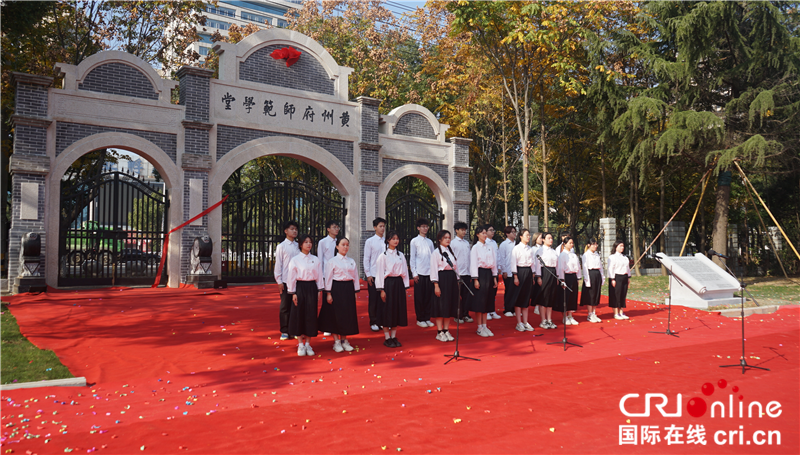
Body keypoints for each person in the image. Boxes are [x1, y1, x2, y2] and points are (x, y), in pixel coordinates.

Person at [319, 237, 360, 352]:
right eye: (343, 245)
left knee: (347, 315)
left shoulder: (351, 261)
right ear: (337, 246)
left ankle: (344, 340)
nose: (345, 247)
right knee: (335, 315)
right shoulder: (332, 261)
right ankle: (336, 341)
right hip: (336, 288)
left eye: (347, 245)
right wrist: (328, 293)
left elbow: (355, 277)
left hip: (348, 288)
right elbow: (328, 278)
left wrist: (355, 291)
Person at [286, 234, 324, 357]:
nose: (308, 244)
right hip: (300, 288)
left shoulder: (316, 259)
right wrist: (292, 293)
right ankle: (300, 345)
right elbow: (291, 277)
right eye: (306, 242)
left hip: (312, 287)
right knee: (299, 314)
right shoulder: (295, 260)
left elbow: (319, 276)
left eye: (310, 242)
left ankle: (308, 344)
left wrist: (319, 290)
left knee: (311, 315)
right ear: (301, 244)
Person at [375, 230, 410, 348]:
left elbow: (405, 272)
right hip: (388, 284)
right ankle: (387, 337)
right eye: (393, 238)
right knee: (387, 310)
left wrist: (405, 287)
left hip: (399, 284)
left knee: (396, 310)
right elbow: (379, 273)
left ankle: (394, 336)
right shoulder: (383, 256)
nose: (396, 241)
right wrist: (381, 289)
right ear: (388, 240)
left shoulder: (401, 255)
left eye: (397, 238)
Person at [430, 230, 459, 342]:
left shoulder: (450, 252)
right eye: (445, 237)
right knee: (441, 305)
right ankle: (439, 332)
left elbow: (456, 268)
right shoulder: (436, 253)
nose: (448, 239)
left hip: (451, 279)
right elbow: (433, 270)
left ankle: (446, 330)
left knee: (449, 305)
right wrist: (436, 285)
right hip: (441, 279)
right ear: (439, 239)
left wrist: (457, 280)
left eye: (449, 237)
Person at [470, 225, 498, 337]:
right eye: (482, 233)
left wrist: (495, 277)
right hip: (480, 274)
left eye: (485, 233)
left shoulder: (490, 246)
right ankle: (479, 327)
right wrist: (475, 279)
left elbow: (494, 262)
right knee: (479, 302)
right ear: (477, 235)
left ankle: (485, 325)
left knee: (487, 301)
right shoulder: (475, 248)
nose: (485, 235)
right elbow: (474, 264)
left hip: (489, 274)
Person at [274, 220, 299, 341]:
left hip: (298, 280)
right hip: (285, 280)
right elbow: (278, 265)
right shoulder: (281, 247)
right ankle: (284, 330)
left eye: (296, 229)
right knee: (285, 306)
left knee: (295, 306)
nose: (294, 231)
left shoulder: (299, 245)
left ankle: (293, 329)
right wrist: (279, 281)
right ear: (286, 231)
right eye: (292, 229)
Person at [410, 218, 435, 328]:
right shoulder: (414, 241)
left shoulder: (430, 242)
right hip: (419, 272)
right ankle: (420, 318)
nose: (425, 228)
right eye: (423, 226)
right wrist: (414, 273)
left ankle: (427, 317)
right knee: (419, 297)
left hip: (429, 272)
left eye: (426, 226)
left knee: (428, 296)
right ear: (418, 228)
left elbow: (433, 257)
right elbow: (412, 258)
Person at [363, 217, 387, 332]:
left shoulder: (387, 241)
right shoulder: (370, 241)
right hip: (373, 273)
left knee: (384, 299)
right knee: (374, 299)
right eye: (380, 226)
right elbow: (366, 258)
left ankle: (381, 321)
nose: (382, 228)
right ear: (375, 227)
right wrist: (368, 274)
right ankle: (373, 321)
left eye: (383, 226)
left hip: (385, 274)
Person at [509, 229, 536, 331]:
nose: (528, 237)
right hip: (519, 272)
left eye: (529, 235)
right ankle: (519, 323)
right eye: (526, 235)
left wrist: (533, 275)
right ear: (521, 236)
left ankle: (525, 322)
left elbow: (532, 263)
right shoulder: (516, 248)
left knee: (526, 298)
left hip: (528, 272)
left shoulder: (530, 249)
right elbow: (513, 262)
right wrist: (515, 276)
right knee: (519, 297)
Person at [317, 220, 340, 336]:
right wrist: (321, 277)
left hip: (338, 276)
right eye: (334, 227)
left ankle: (336, 323)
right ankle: (327, 326)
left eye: (337, 227)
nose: (336, 229)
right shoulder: (323, 242)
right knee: (327, 301)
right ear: (328, 229)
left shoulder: (340, 242)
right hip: (327, 275)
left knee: (336, 301)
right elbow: (320, 260)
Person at [533, 232, 559, 329]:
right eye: (548, 238)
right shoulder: (540, 251)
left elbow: (557, 265)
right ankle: (543, 320)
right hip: (544, 273)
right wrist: (539, 277)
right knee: (543, 297)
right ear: (543, 239)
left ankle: (549, 320)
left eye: (551, 238)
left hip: (552, 273)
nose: (551, 240)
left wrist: (557, 276)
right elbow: (537, 264)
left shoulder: (554, 251)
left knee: (550, 297)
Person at [556, 236, 582, 325]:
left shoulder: (574, 255)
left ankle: (570, 315)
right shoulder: (562, 255)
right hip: (566, 277)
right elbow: (560, 268)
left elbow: (578, 267)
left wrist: (578, 277)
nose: (571, 244)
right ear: (564, 244)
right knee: (565, 297)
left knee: (572, 296)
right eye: (569, 243)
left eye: (572, 243)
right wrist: (562, 279)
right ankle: (564, 317)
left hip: (573, 276)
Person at [451, 221, 473, 324]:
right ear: (456, 230)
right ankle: (457, 315)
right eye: (462, 230)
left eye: (465, 230)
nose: (464, 232)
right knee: (457, 296)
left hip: (467, 273)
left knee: (466, 295)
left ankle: (465, 314)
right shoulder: (453, 243)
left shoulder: (466, 243)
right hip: (458, 274)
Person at [580, 239, 605, 323]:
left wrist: (602, 277)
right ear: (588, 245)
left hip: (597, 274)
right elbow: (585, 268)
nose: (595, 246)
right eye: (593, 244)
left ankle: (594, 313)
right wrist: (587, 280)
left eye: (596, 244)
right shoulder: (586, 255)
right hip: (590, 274)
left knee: (596, 294)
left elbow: (600, 266)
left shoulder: (597, 254)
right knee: (590, 295)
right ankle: (590, 314)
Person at [607, 240, 632, 320]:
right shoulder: (612, 257)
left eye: (623, 246)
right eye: (620, 246)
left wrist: (628, 277)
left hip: (624, 276)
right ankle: (616, 313)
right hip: (616, 277)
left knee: (622, 294)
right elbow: (611, 269)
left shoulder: (625, 257)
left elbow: (627, 268)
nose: (622, 247)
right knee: (616, 295)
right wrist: (612, 279)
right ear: (616, 247)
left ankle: (621, 312)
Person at [498, 226, 517, 317]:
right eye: (512, 232)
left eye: (515, 231)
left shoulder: (517, 244)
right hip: (508, 271)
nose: (514, 233)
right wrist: (504, 270)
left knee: (516, 291)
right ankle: (507, 309)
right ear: (507, 233)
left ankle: (514, 308)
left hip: (516, 271)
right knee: (509, 290)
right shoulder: (504, 244)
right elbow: (502, 258)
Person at [485, 225, 502, 320]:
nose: (493, 232)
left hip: (494, 270)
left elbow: (497, 256)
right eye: (490, 230)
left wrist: (499, 267)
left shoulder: (494, 243)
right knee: (486, 291)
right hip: (487, 270)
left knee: (493, 291)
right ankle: (486, 311)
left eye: (493, 230)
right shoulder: (484, 243)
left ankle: (492, 310)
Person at [530, 232, 544, 316]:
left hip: (543, 270)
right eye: (540, 238)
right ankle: (536, 306)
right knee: (538, 289)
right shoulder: (533, 249)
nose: (541, 239)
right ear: (535, 239)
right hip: (536, 270)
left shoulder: (544, 248)